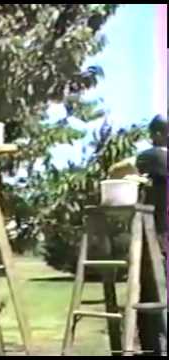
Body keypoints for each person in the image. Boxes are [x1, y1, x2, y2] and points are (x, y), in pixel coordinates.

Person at [109, 114, 167, 355]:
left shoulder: (155, 155)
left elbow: (117, 169)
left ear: (156, 134)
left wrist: (130, 177)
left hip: (158, 238)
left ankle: (155, 350)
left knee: (151, 296)